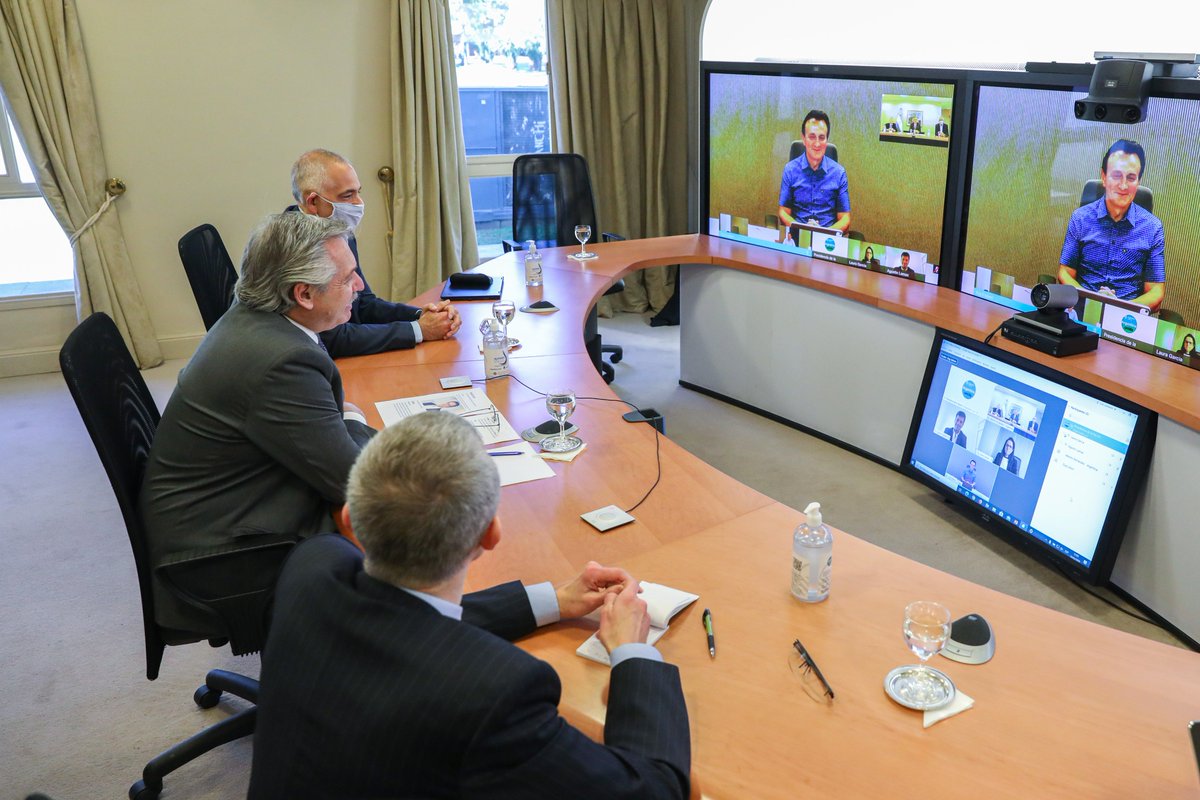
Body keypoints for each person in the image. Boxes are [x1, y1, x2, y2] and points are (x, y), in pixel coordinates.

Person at [248, 413, 691, 799]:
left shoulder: (313, 565)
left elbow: (405, 618)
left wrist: (553, 601)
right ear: (491, 535)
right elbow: (653, 789)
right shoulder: (494, 693)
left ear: (351, 524)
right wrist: (635, 654)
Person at [139, 212, 376, 631]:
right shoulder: (281, 360)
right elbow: (352, 481)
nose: (358, 287)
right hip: (223, 553)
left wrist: (343, 419)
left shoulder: (258, 318)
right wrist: (352, 417)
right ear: (303, 293)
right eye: (348, 278)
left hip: (224, 505)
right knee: (413, 528)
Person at [290, 148, 462, 356]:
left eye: (358, 192)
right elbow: (329, 337)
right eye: (347, 195)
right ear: (313, 202)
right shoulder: (293, 247)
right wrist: (419, 330)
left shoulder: (339, 230)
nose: (358, 203)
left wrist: (423, 315)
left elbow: (363, 304)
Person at [1057, 139, 1165, 313]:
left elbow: (1156, 291)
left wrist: (1120, 308)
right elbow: (1065, 273)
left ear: (1138, 181)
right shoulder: (1080, 218)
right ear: (1104, 177)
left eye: (1131, 178)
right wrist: (1093, 301)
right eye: (1116, 175)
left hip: (1127, 320)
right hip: (1080, 310)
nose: (1123, 185)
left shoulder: (1152, 228)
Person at [778, 109, 851, 234]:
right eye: (812, 137)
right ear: (804, 139)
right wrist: (802, 231)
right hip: (797, 239)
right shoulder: (790, 170)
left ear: (826, 140)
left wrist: (824, 235)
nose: (817, 143)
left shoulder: (839, 173)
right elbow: (783, 211)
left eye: (821, 138)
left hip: (827, 242)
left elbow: (845, 218)